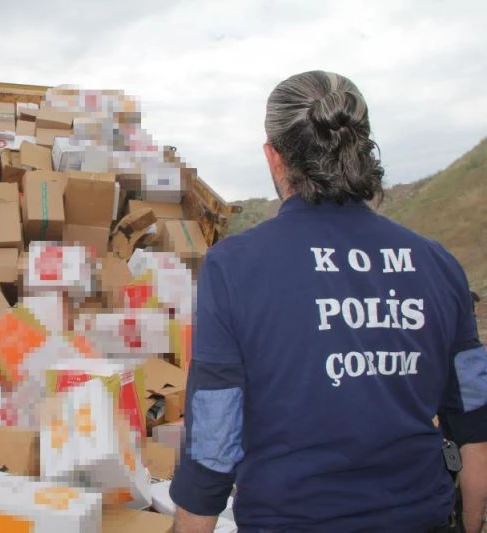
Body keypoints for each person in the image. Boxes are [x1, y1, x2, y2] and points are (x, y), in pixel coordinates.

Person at [170, 70, 487, 533]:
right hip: (422, 515)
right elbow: (473, 413)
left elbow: (214, 436)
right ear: (361, 146)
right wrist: (474, 515)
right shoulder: (436, 263)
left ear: (274, 157)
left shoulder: (234, 267)